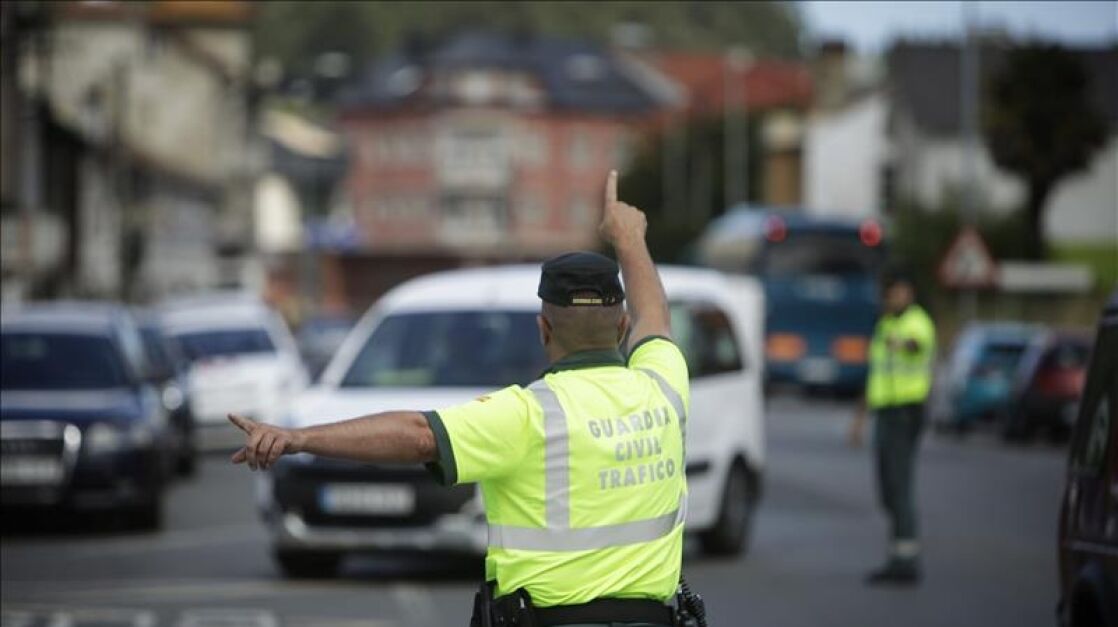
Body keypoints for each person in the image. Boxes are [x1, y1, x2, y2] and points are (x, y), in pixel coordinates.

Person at [227, 171, 696, 626]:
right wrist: (629, 238)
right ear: (621, 326)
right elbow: (654, 315)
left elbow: (417, 435)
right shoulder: (664, 386)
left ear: (543, 330)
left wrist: (298, 438)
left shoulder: (530, 415)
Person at [848, 269, 936, 585]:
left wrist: (900, 342)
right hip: (884, 412)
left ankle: (905, 559)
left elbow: (915, 345)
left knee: (900, 485)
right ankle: (899, 552)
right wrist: (859, 418)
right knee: (887, 487)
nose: (893, 297)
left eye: (898, 291)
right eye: (890, 292)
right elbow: (875, 374)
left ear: (909, 293)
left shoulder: (917, 322)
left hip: (906, 412)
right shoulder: (884, 325)